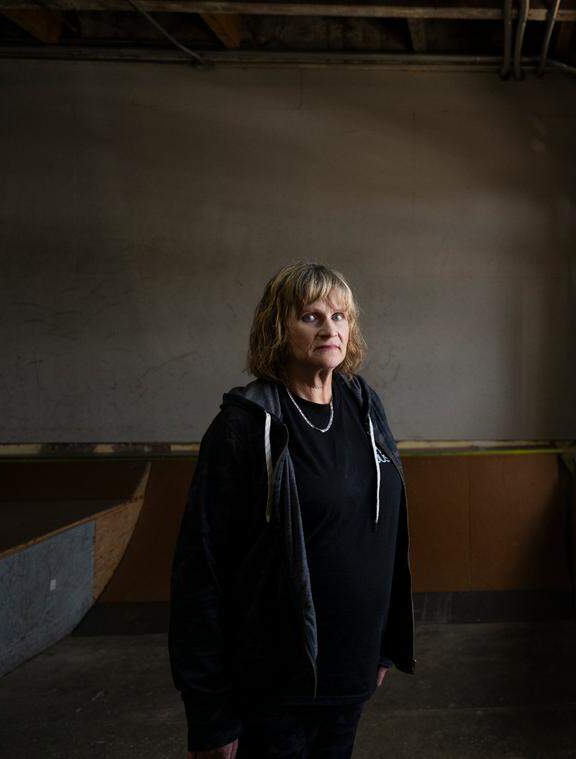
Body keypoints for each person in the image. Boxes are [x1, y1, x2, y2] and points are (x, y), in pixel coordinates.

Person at [168, 261, 416, 759]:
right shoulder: (244, 427)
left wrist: (385, 640)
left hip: (351, 673)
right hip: (274, 685)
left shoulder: (365, 406)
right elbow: (201, 571)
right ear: (277, 329)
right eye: (311, 316)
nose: (331, 329)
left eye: (341, 316)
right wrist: (209, 715)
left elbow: (383, 533)